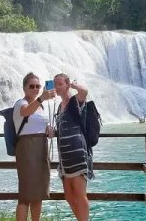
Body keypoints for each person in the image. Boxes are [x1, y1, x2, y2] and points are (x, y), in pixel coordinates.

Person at [13, 72, 55, 221]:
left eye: (38, 86)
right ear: (24, 88)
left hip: (40, 149)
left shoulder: (40, 107)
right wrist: (41, 98)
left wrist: (49, 129)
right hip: (26, 150)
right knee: (25, 195)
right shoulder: (20, 103)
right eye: (32, 86)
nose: (35, 89)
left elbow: (38, 124)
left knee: (38, 193)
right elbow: (25, 113)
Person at [53, 73, 92, 221]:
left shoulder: (75, 100)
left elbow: (84, 92)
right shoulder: (59, 106)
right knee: (69, 196)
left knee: (80, 194)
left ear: (67, 84)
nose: (56, 87)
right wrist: (53, 132)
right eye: (55, 84)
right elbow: (63, 128)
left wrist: (75, 86)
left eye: (60, 84)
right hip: (64, 156)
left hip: (76, 153)